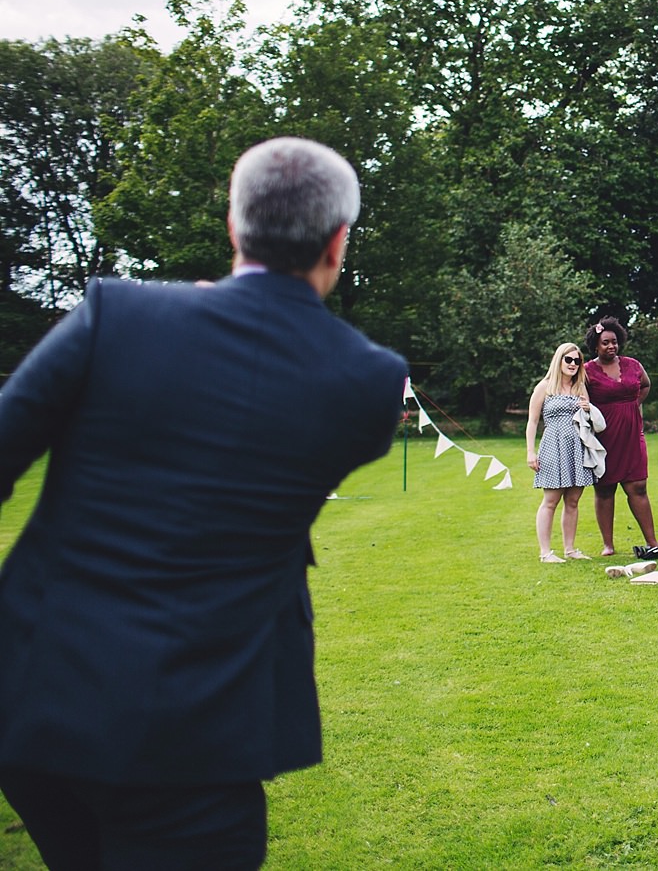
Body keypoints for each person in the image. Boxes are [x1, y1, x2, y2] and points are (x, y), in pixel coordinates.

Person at [0, 137, 406, 869]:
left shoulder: (115, 316)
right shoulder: (367, 381)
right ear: (338, 240)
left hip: (35, 694)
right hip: (195, 726)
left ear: (233, 225)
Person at [584, 317, 658, 559]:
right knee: (605, 489)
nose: (611, 346)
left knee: (638, 486)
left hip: (632, 434)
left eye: (614, 342)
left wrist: (633, 405)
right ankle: (608, 544)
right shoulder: (587, 371)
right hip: (604, 438)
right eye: (605, 343)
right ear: (596, 346)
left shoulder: (633, 365)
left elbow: (645, 385)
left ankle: (652, 541)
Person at [526, 342, 605, 562]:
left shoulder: (580, 387)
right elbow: (532, 422)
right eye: (568, 359)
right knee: (550, 500)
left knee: (573, 501)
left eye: (576, 361)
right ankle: (545, 552)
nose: (572, 364)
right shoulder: (545, 387)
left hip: (577, 447)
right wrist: (530, 452)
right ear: (559, 360)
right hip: (553, 445)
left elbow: (588, 420)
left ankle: (570, 549)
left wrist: (589, 409)